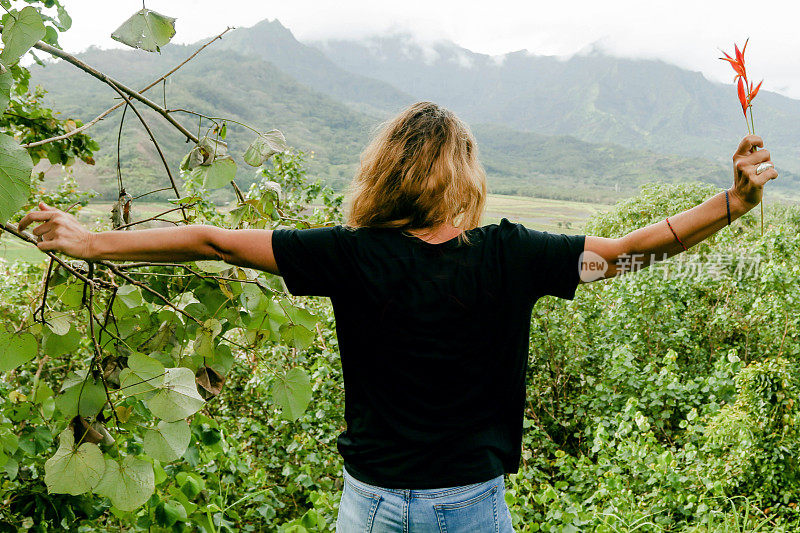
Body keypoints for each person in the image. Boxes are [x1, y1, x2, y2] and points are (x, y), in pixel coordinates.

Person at [17, 102, 777, 532]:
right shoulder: (511, 253)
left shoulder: (350, 255)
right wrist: (733, 205)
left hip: (370, 504)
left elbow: (212, 238)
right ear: (465, 174)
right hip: (471, 506)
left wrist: (92, 241)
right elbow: (631, 249)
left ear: (387, 172)